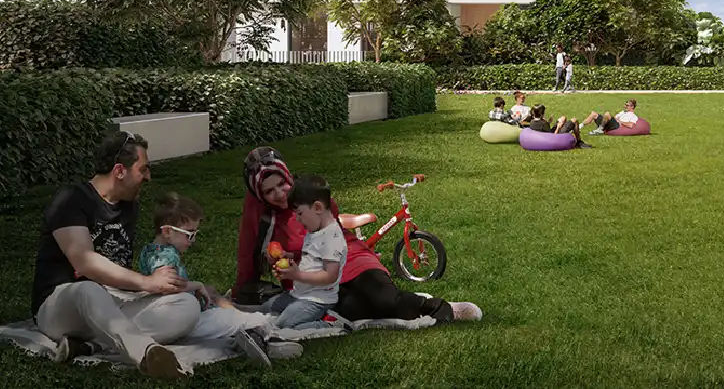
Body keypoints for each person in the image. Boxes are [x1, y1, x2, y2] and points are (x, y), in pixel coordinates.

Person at [231, 148, 481, 325]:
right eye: (269, 191)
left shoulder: (309, 195)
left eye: (281, 184)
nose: (279, 193)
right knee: (352, 311)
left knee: (384, 299)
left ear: (288, 177)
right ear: (258, 194)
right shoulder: (261, 216)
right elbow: (248, 253)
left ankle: (441, 308)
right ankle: (414, 305)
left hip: (351, 259)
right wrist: (245, 289)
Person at [31, 131, 198, 377]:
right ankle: (145, 352)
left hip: (110, 301)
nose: (149, 177)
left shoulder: (128, 206)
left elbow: (117, 270)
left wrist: (162, 285)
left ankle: (90, 346)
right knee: (87, 288)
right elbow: (84, 262)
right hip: (60, 306)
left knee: (187, 305)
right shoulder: (71, 199)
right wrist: (146, 282)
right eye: (143, 169)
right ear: (120, 171)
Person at [138, 192, 279, 365]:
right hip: (188, 319)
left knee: (220, 309)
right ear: (167, 231)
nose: (193, 240)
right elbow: (168, 285)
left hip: (181, 315)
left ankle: (255, 336)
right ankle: (267, 335)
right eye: (189, 234)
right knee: (245, 320)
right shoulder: (165, 257)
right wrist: (196, 285)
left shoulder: (150, 250)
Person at [260, 176, 347, 330]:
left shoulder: (331, 237)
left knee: (283, 324)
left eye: (299, 214)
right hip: (299, 294)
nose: (298, 220)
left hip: (317, 299)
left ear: (318, 208)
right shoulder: (315, 230)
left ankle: (330, 323)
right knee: (266, 309)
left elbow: (330, 275)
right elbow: (312, 256)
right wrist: (289, 256)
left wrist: (297, 275)